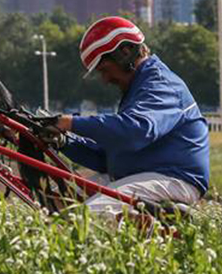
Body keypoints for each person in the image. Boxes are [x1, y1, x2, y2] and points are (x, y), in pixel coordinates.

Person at [43, 16, 210, 216]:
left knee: (87, 219)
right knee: (55, 201)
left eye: (105, 70)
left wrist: (69, 122)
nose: (105, 80)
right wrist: (63, 141)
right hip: (139, 175)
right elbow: (105, 158)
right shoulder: (138, 88)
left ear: (125, 52)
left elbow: (135, 131)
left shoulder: (161, 84)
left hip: (172, 179)